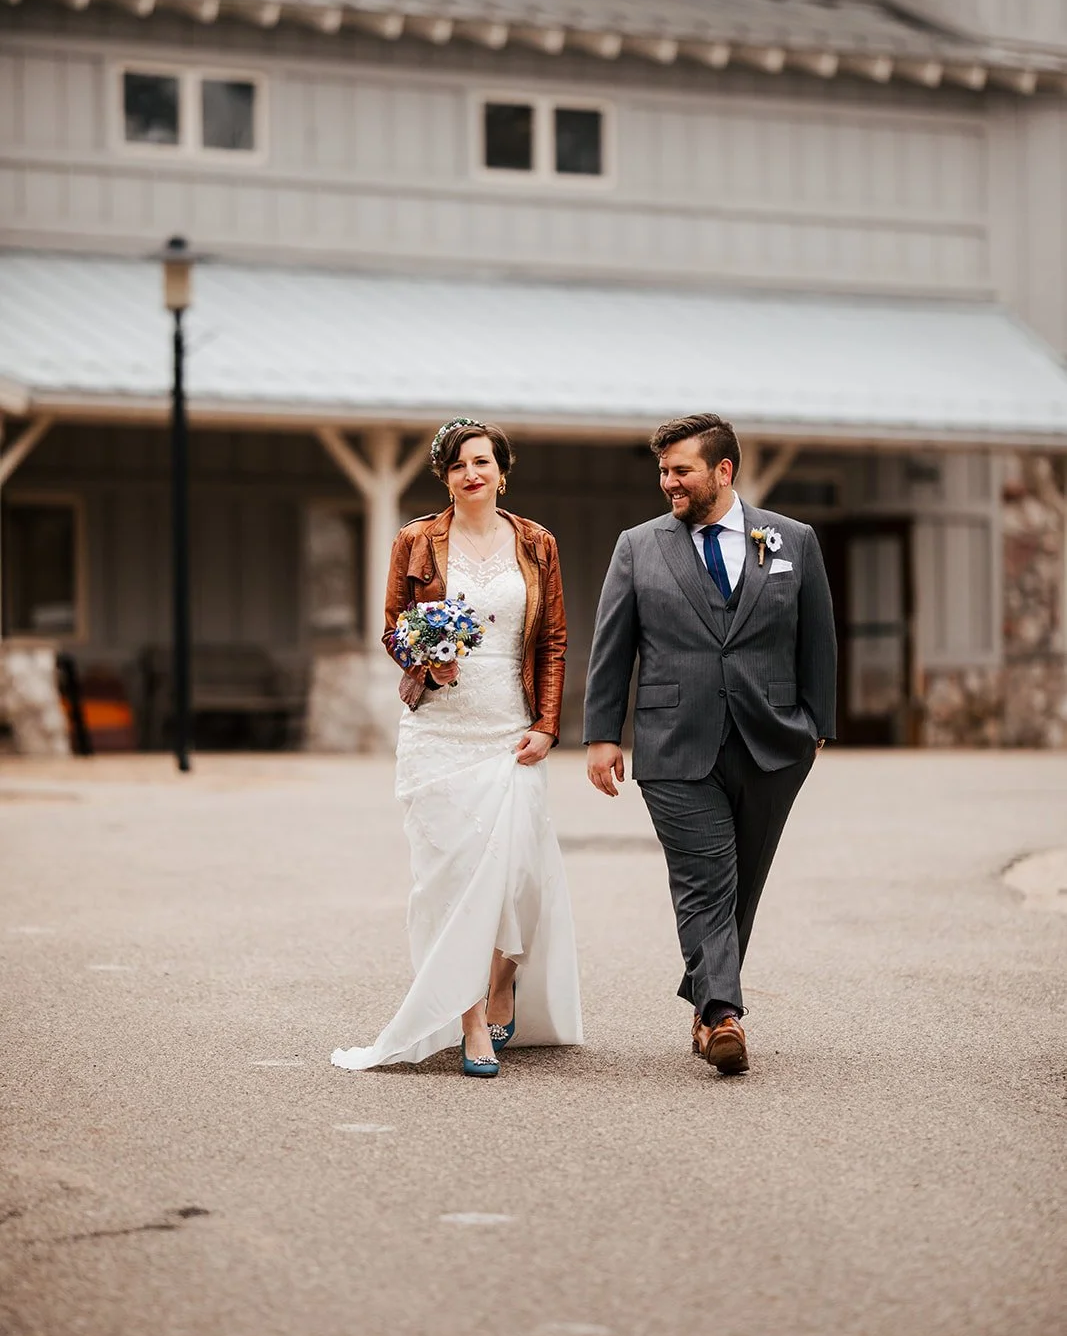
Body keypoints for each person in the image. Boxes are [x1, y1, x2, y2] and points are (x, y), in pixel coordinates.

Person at [583, 413, 836, 1075]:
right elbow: (612, 647)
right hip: (672, 741)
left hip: (773, 740)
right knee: (704, 879)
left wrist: (814, 726)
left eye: (680, 470)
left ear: (722, 471)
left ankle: (704, 1001)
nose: (667, 482)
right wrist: (602, 735)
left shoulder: (791, 539)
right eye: (662, 470)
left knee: (740, 885)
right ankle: (723, 1013)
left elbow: (817, 639)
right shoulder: (638, 547)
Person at [332, 417, 583, 1078]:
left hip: (509, 731)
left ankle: (502, 981)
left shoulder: (536, 543)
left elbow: (552, 639)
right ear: (443, 477)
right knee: (446, 879)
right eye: (456, 466)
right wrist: (422, 654)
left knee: (516, 879)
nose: (470, 474)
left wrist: (547, 724)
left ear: (503, 469)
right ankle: (471, 1017)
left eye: (482, 462)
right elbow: (391, 627)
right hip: (438, 733)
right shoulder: (416, 540)